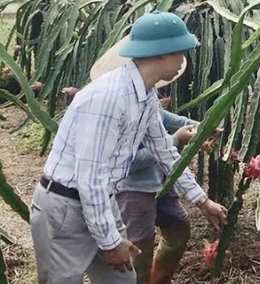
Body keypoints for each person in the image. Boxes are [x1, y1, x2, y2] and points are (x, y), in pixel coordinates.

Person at [30, 10, 228, 283]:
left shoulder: (145, 95)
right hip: (65, 208)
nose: (184, 61)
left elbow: (165, 152)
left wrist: (202, 201)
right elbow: (90, 177)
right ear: (162, 53)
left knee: (123, 279)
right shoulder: (108, 98)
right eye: (181, 52)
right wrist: (111, 243)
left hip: (101, 202)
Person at [89, 39, 220, 284]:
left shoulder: (147, 95)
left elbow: (167, 119)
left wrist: (201, 127)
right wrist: (176, 141)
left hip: (162, 181)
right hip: (133, 189)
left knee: (179, 230)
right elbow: (128, 162)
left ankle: (158, 279)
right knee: (140, 247)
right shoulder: (115, 104)